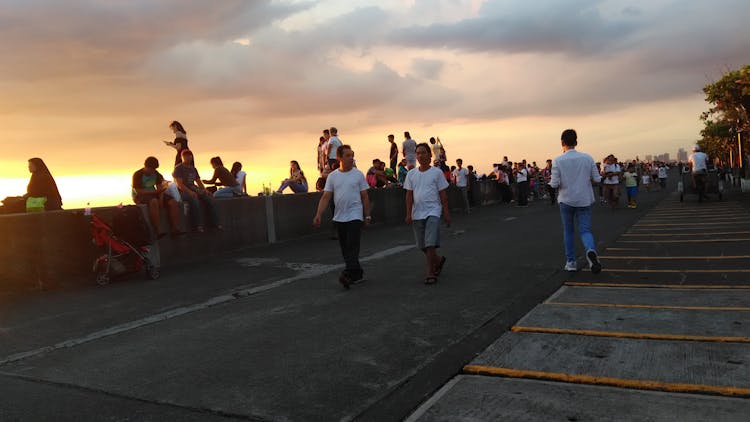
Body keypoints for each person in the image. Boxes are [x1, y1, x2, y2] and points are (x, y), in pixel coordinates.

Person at [313, 145, 371, 288]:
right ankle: (357, 274)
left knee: (352, 244)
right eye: (347, 155)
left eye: (352, 155)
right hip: (339, 217)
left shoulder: (358, 174)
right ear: (339, 157)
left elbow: (364, 196)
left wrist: (367, 215)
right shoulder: (333, 176)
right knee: (345, 248)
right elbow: (326, 197)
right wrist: (318, 214)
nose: (351, 158)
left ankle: (347, 274)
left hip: (355, 215)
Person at [549, 129, 602, 274]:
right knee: (585, 230)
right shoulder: (588, 158)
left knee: (569, 231)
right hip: (584, 199)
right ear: (576, 142)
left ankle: (571, 262)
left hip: (566, 200)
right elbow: (597, 179)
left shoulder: (557, 160)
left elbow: (554, 184)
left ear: (562, 143)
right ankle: (590, 250)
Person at [404, 143, 451, 285]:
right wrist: (408, 214)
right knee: (422, 245)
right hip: (417, 213)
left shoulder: (436, 172)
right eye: (418, 153)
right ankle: (438, 260)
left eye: (423, 152)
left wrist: (446, 214)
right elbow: (408, 196)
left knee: (430, 243)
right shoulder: (411, 174)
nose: (420, 155)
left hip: (433, 211)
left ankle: (430, 271)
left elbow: (443, 195)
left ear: (430, 155)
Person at [132, 156, 182, 237]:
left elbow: (160, 188)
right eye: (151, 169)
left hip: (154, 193)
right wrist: (154, 192)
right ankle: (158, 230)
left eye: (154, 169)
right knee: (154, 202)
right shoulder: (138, 174)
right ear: (146, 166)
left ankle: (175, 228)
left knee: (172, 202)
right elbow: (138, 190)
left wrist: (161, 198)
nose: (152, 171)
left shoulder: (157, 174)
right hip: (141, 195)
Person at [173, 150, 221, 232]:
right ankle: (198, 226)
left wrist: (205, 191)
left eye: (189, 156)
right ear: (182, 157)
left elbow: (198, 182)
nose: (188, 158)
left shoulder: (193, 169)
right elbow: (179, 185)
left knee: (209, 199)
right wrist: (190, 192)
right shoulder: (178, 168)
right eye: (186, 156)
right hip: (182, 191)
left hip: (193, 189)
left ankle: (215, 224)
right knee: (194, 200)